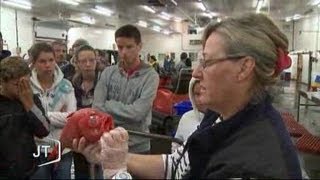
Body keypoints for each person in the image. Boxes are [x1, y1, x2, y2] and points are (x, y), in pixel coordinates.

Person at [73, 13, 302, 179]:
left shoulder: (250, 165)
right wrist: (118, 158)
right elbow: (178, 165)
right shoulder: (220, 116)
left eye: (208, 61)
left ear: (244, 68)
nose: (196, 72)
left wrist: (117, 174)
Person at [92, 24, 159, 154]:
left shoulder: (151, 76)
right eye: (120, 47)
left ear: (139, 46)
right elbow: (97, 107)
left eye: (129, 47)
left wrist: (109, 105)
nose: (124, 52)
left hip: (138, 146)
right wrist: (125, 113)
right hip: (109, 143)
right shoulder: (108, 72)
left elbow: (138, 113)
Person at [28, 42, 77, 179]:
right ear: (33, 63)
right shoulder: (26, 87)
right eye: (42, 61)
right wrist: (58, 116)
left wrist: (41, 117)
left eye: (51, 60)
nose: (48, 65)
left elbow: (71, 118)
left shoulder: (66, 86)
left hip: (63, 148)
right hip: (37, 149)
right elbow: (26, 120)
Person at [0, 57, 50, 179]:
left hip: (30, 170)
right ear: (2, 81)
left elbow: (44, 131)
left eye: (26, 83)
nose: (23, 88)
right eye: (17, 84)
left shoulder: (30, 97)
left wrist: (29, 104)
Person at [71, 44, 103, 178]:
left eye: (91, 60)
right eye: (83, 61)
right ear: (77, 63)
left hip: (100, 135)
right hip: (79, 137)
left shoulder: (104, 81)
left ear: (97, 60)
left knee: (101, 172)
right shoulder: (73, 83)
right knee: (81, 172)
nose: (88, 64)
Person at [171, 78, 208, 152]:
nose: (200, 99)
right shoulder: (186, 117)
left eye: (204, 93)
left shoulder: (223, 121)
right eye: (197, 94)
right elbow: (176, 145)